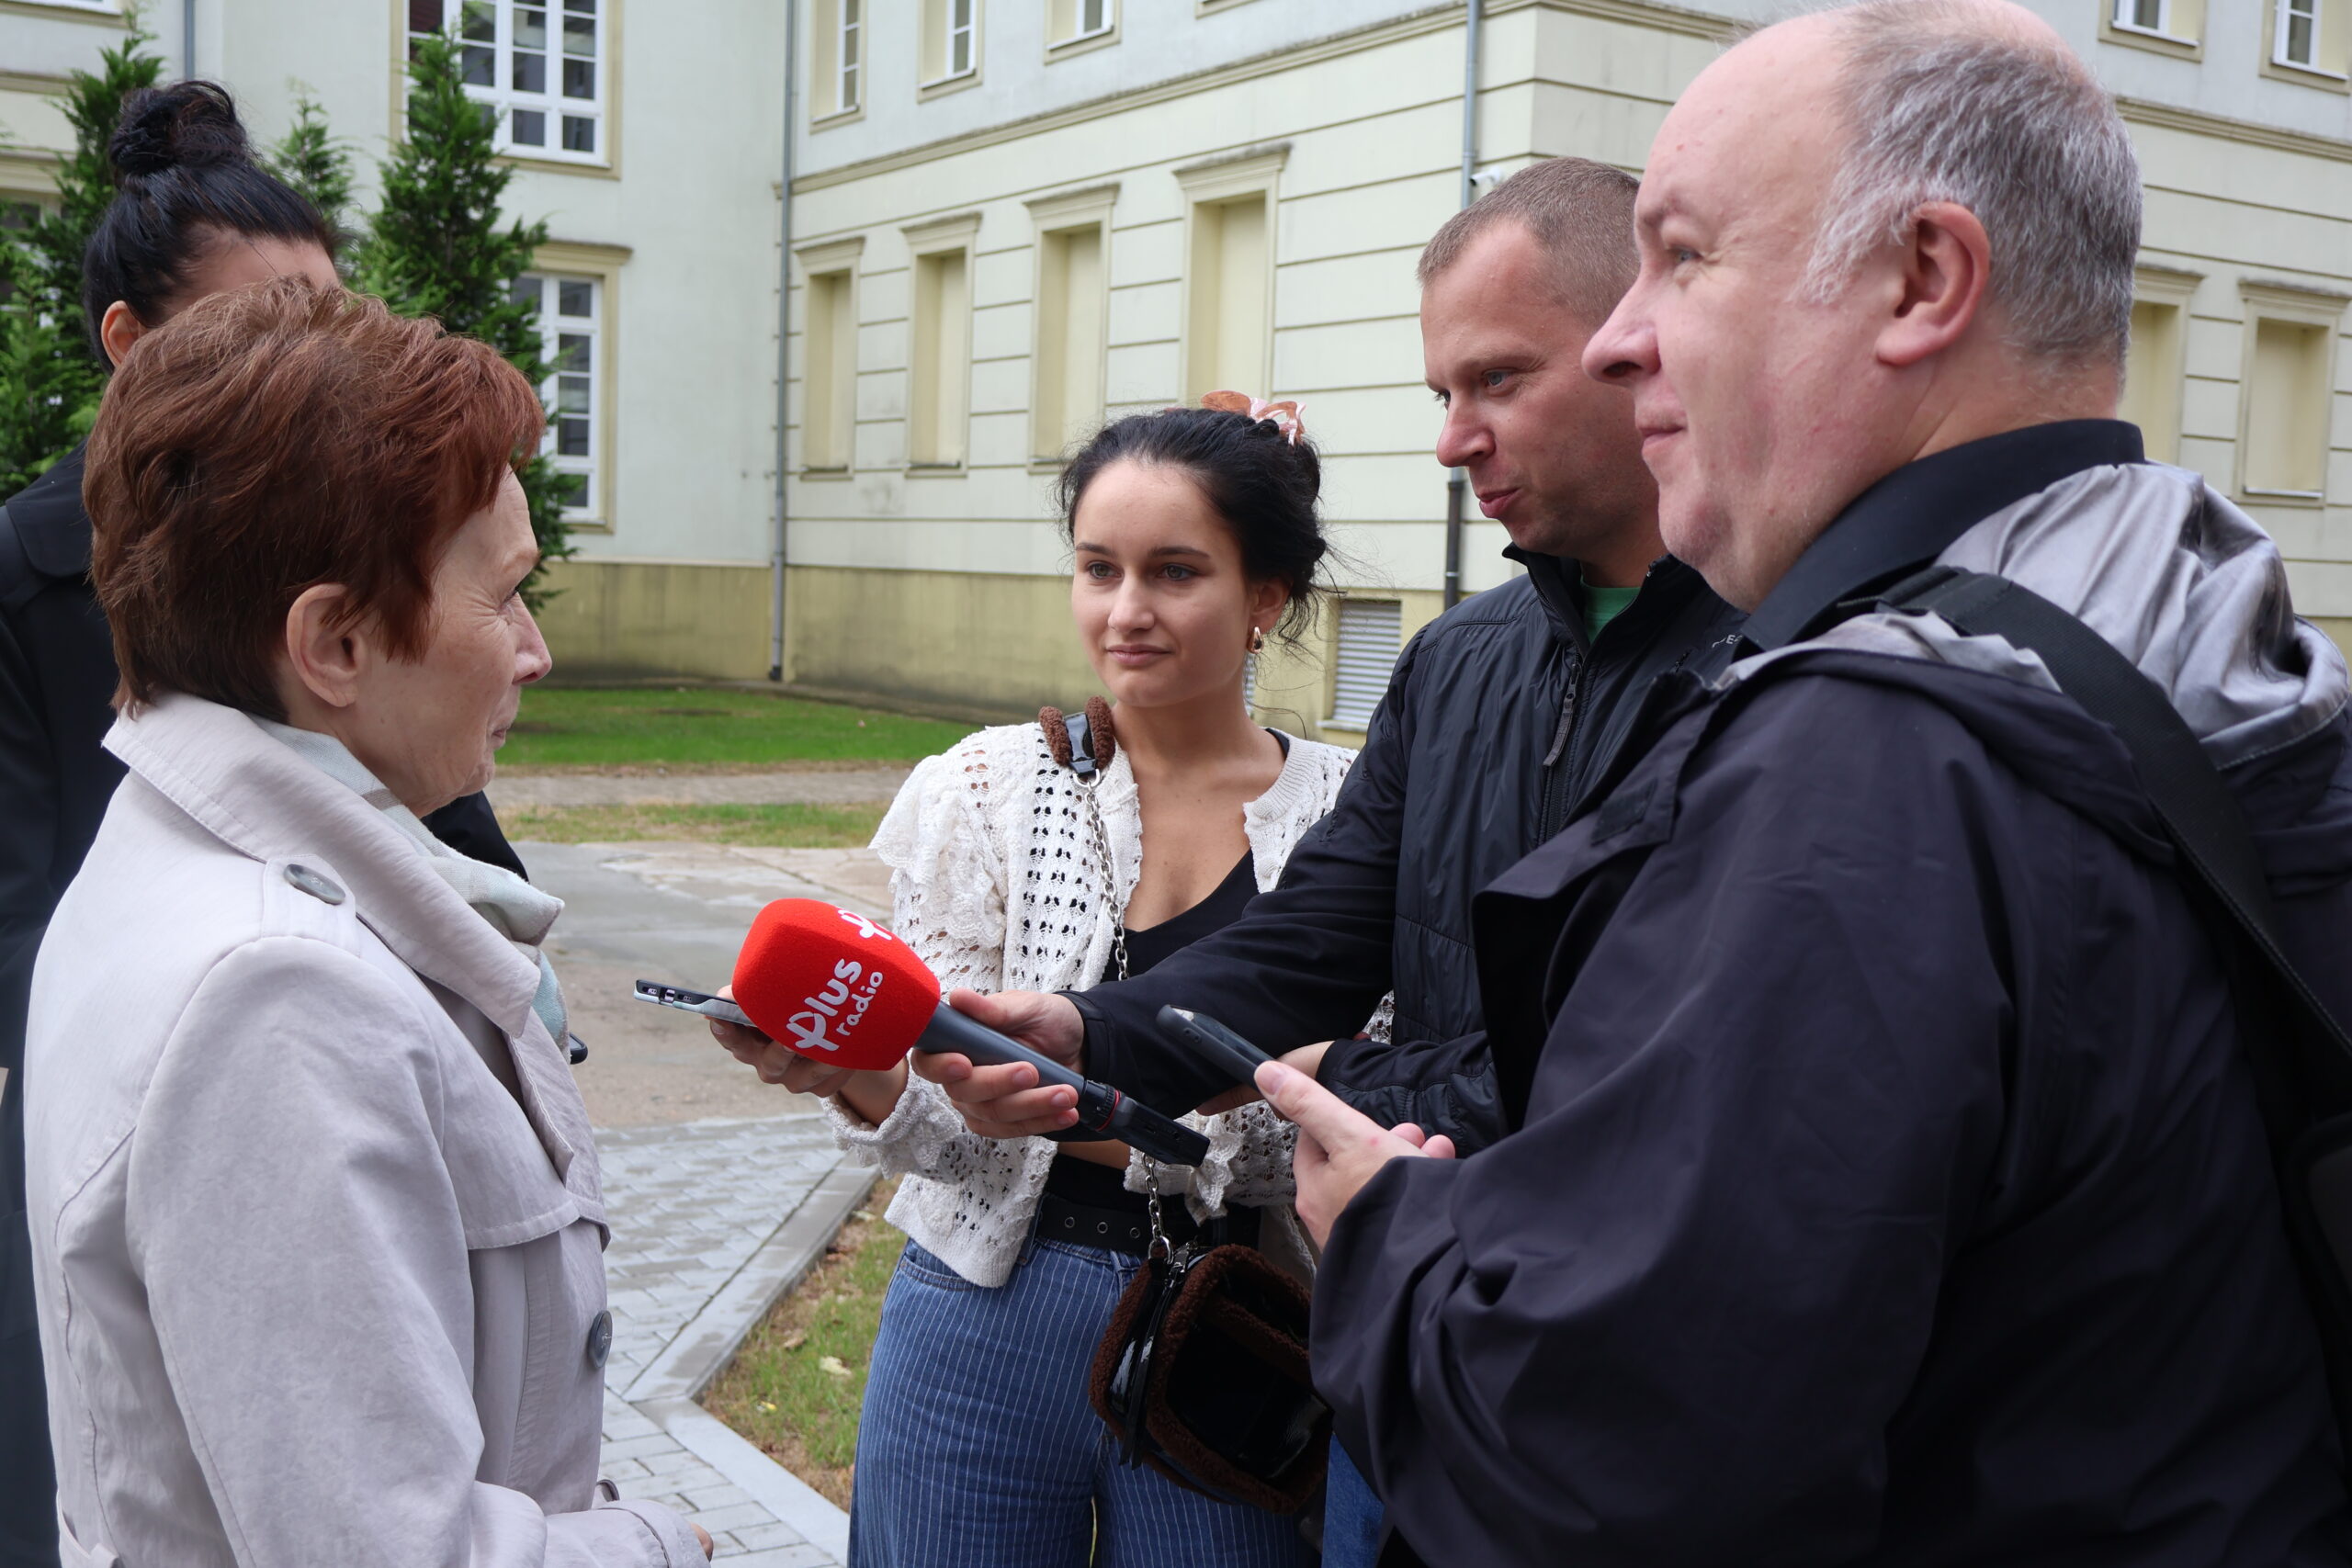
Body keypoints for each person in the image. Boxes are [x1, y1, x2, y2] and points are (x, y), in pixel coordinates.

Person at [1242, 2, 2352, 1562]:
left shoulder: (1877, 766)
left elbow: (1605, 1476)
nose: (1624, 338)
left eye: (1683, 256)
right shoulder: (2194, 626)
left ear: (1923, 282)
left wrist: (1384, 1241)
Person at [24, 279, 707, 1566]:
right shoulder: (277, 992)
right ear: (334, 640)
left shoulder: (176, 845)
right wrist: (667, 1543)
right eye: (503, 594)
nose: (533, 648)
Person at [0, 85, 523, 1564]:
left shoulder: (355, 557)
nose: (334, 359)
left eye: (337, 313)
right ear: (130, 346)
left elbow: (435, 817)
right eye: (282, 321)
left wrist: (501, 983)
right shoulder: (249, 982)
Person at [718, 400, 1371, 1567]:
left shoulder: (1352, 814)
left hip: (1234, 1328)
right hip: (978, 1310)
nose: (1125, 612)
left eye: (1174, 572)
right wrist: (860, 1079)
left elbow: (1348, 1117)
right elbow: (948, 1134)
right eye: (1097, 568)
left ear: (1264, 596)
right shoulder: (985, 790)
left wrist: (1048, 1113)